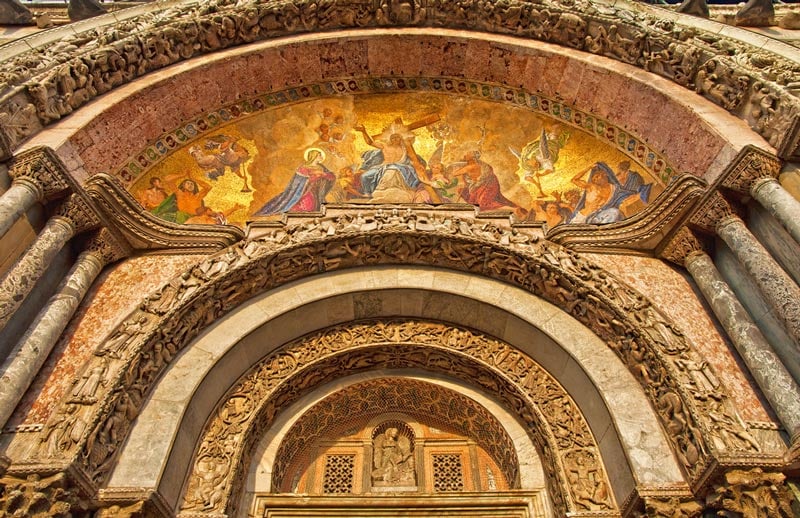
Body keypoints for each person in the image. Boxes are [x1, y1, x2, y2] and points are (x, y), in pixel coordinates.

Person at [354, 120, 423, 201]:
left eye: (397, 137)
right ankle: (367, 193)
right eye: (393, 138)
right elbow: (369, 142)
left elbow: (413, 158)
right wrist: (364, 131)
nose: (395, 139)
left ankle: (386, 192)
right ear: (390, 139)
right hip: (383, 166)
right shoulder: (384, 146)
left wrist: (418, 165)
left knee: (392, 170)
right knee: (364, 176)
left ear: (401, 138)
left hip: (400, 167)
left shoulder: (405, 148)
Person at [255, 148, 335, 216]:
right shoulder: (303, 168)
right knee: (307, 207)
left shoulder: (322, 167)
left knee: (316, 208)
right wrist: (315, 176)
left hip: (317, 192)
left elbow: (331, 176)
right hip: (304, 192)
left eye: (321, 155)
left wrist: (323, 174)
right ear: (314, 156)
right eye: (319, 155)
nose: (321, 157)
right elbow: (299, 182)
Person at [452, 150, 517, 211]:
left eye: (467, 154)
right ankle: (514, 209)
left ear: (472, 158)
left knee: (483, 204)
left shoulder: (470, 167)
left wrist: (460, 165)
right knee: (465, 194)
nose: (465, 155)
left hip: (484, 187)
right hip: (487, 185)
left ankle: (512, 209)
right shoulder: (481, 164)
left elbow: (454, 174)